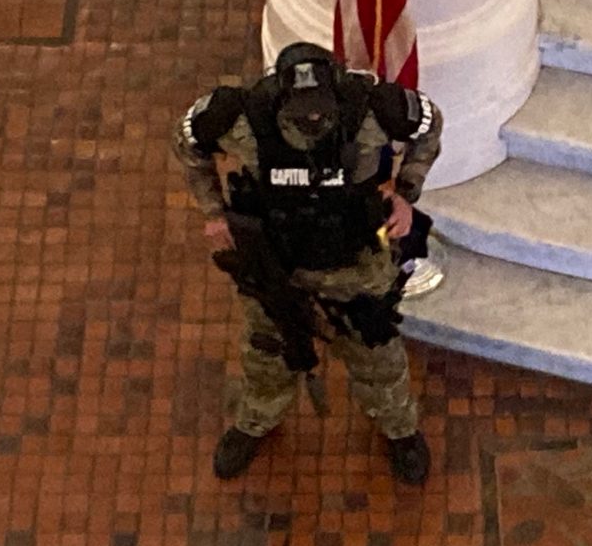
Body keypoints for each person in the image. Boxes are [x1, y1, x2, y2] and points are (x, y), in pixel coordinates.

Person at [173, 42, 443, 485]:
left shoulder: (376, 109)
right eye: (300, 121)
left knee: (377, 353)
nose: (312, 127)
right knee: (268, 351)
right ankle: (256, 420)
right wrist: (213, 212)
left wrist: (406, 195)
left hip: (356, 263)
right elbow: (188, 142)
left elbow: (429, 125)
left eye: (321, 118)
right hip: (277, 265)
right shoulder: (241, 116)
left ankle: (400, 430)